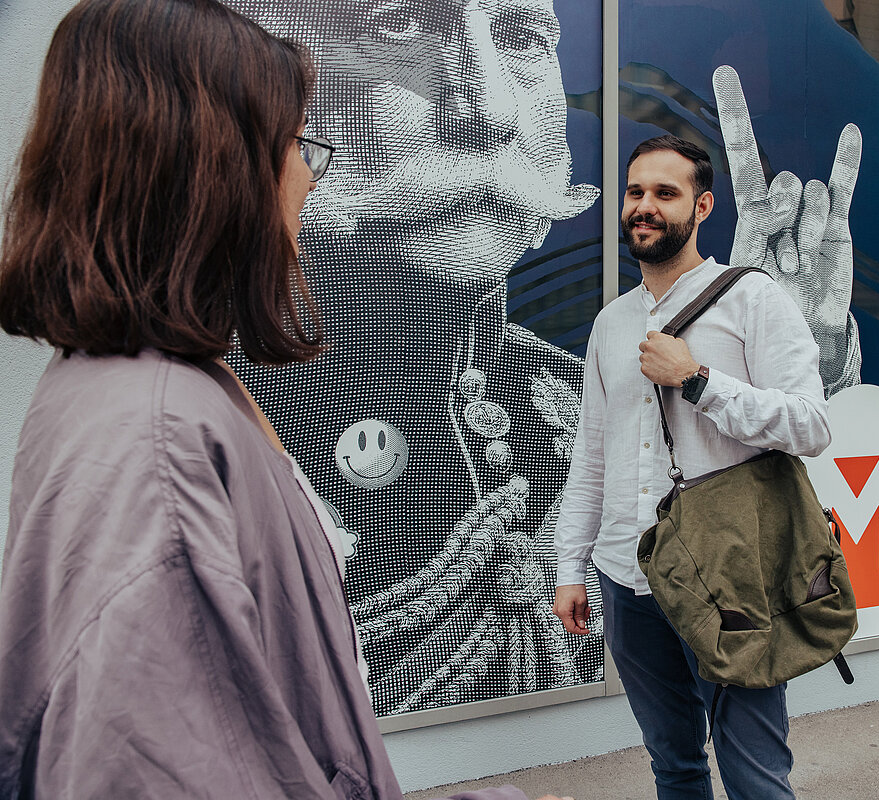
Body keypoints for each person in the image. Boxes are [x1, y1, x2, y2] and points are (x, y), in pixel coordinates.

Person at [0, 2, 571, 798]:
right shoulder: (155, 436)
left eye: (518, 37)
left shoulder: (156, 388)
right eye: (295, 144)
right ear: (206, 168)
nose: (311, 172)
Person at [217, 0, 606, 715]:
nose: (489, 110)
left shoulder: (572, 390)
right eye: (401, 28)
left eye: (521, 38)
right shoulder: (227, 405)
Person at [552, 135, 832, 800]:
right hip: (626, 579)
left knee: (755, 775)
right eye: (635, 192)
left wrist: (700, 382)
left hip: (728, 581)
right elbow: (590, 457)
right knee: (673, 764)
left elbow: (812, 424)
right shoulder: (612, 325)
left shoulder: (751, 301)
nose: (644, 207)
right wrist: (570, 567)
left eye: (665, 193)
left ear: (702, 207)